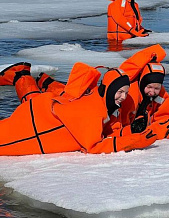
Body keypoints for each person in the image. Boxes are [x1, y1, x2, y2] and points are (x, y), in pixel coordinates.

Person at [0, 62, 158, 156]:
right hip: (33, 128)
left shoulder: (103, 102)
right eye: (119, 92)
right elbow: (93, 146)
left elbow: (109, 130)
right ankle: (20, 75)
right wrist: (135, 141)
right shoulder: (92, 109)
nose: (123, 97)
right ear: (108, 90)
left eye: (126, 92)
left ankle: (20, 75)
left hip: (39, 113)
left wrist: (130, 131)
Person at [118, 44, 169, 140]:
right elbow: (119, 121)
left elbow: (166, 116)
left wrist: (152, 131)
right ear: (142, 83)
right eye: (149, 87)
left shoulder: (162, 94)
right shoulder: (129, 94)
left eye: (156, 88)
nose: (152, 92)